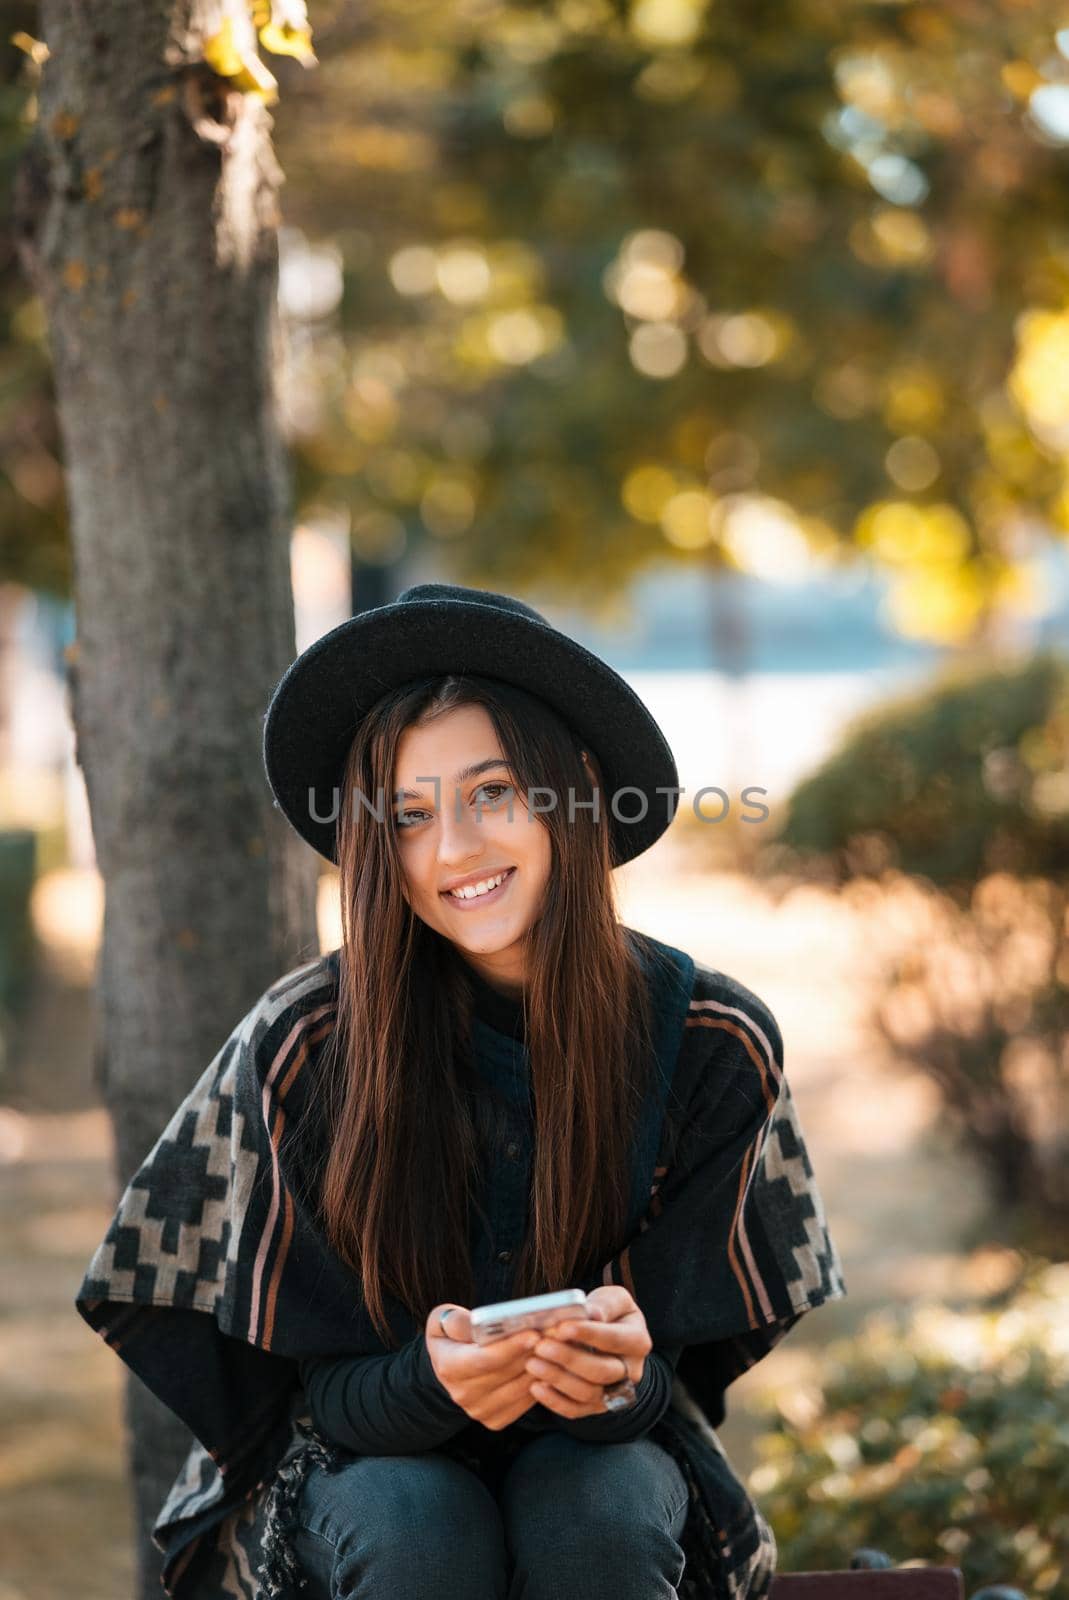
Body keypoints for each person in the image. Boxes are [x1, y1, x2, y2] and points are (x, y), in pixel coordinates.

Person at [75, 582, 847, 1600]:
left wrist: (616, 1374)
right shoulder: (306, 1047)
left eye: (490, 793)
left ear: (572, 786)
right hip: (359, 1482)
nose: (454, 850)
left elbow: (673, 1376)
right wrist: (426, 1381)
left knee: (598, 1510)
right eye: (408, 814)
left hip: (606, 1468)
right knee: (418, 1520)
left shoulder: (711, 1041)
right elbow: (303, 1396)